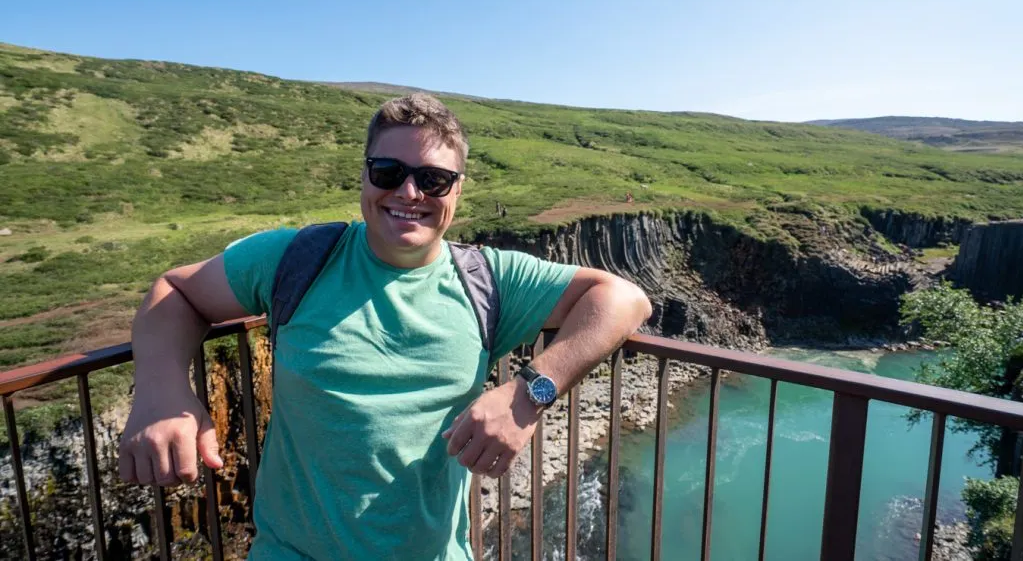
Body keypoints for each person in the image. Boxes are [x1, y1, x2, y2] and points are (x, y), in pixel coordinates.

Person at [118, 93, 652, 560]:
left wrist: (528, 394)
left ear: (457, 191)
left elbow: (624, 299)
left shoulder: (490, 278)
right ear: (365, 175)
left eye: (433, 179)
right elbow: (177, 290)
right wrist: (162, 392)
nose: (410, 193)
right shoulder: (295, 258)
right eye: (388, 172)